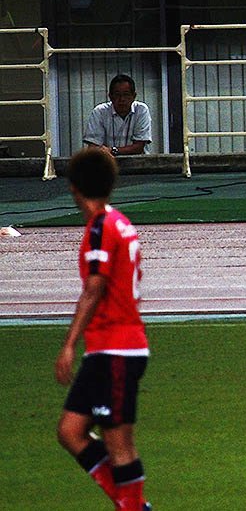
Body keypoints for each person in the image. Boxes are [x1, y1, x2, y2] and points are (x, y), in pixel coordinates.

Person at [55, 147, 151, 510]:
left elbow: (95, 287)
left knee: (119, 444)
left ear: (75, 188)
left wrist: (69, 344)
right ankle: (134, 506)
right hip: (108, 349)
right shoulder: (119, 222)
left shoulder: (100, 228)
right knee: (71, 431)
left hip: (116, 349)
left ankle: (133, 507)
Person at [83, 74, 152, 157]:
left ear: (134, 96)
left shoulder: (141, 110)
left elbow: (139, 147)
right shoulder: (100, 112)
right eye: (117, 95)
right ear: (110, 96)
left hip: (138, 162)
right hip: (107, 162)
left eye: (126, 94)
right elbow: (93, 147)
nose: (122, 99)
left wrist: (111, 150)